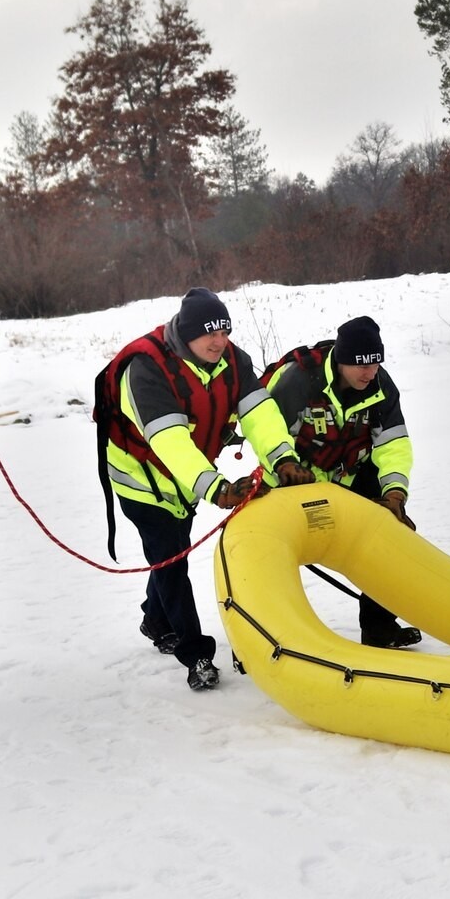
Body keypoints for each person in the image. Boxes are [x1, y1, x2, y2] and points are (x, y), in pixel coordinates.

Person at [95, 287, 313, 691]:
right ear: (186, 334)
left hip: (186, 477)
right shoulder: (147, 369)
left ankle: (155, 619)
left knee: (172, 549)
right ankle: (196, 655)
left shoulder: (232, 361)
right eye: (209, 334)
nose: (219, 341)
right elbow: (171, 442)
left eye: (225, 331)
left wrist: (282, 458)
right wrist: (215, 488)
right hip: (142, 479)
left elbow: (260, 414)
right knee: (170, 560)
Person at [265, 315, 424, 647]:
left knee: (385, 534)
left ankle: (380, 628)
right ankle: (267, 634)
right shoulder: (298, 382)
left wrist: (394, 492)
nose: (368, 373)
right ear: (340, 360)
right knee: (274, 553)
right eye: (359, 365)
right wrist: (284, 471)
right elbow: (267, 435)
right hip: (297, 479)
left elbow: (393, 443)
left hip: (351, 472)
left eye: (375, 363)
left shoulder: (381, 387)